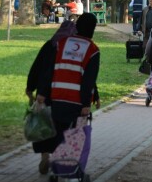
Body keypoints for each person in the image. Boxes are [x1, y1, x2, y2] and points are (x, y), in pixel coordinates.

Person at [25, 13, 100, 175]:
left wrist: (40, 92)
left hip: (56, 96)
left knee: (53, 131)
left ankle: (52, 161)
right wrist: (87, 103)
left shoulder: (61, 44)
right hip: (76, 102)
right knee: (71, 135)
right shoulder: (92, 49)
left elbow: (46, 70)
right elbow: (88, 79)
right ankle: (66, 166)